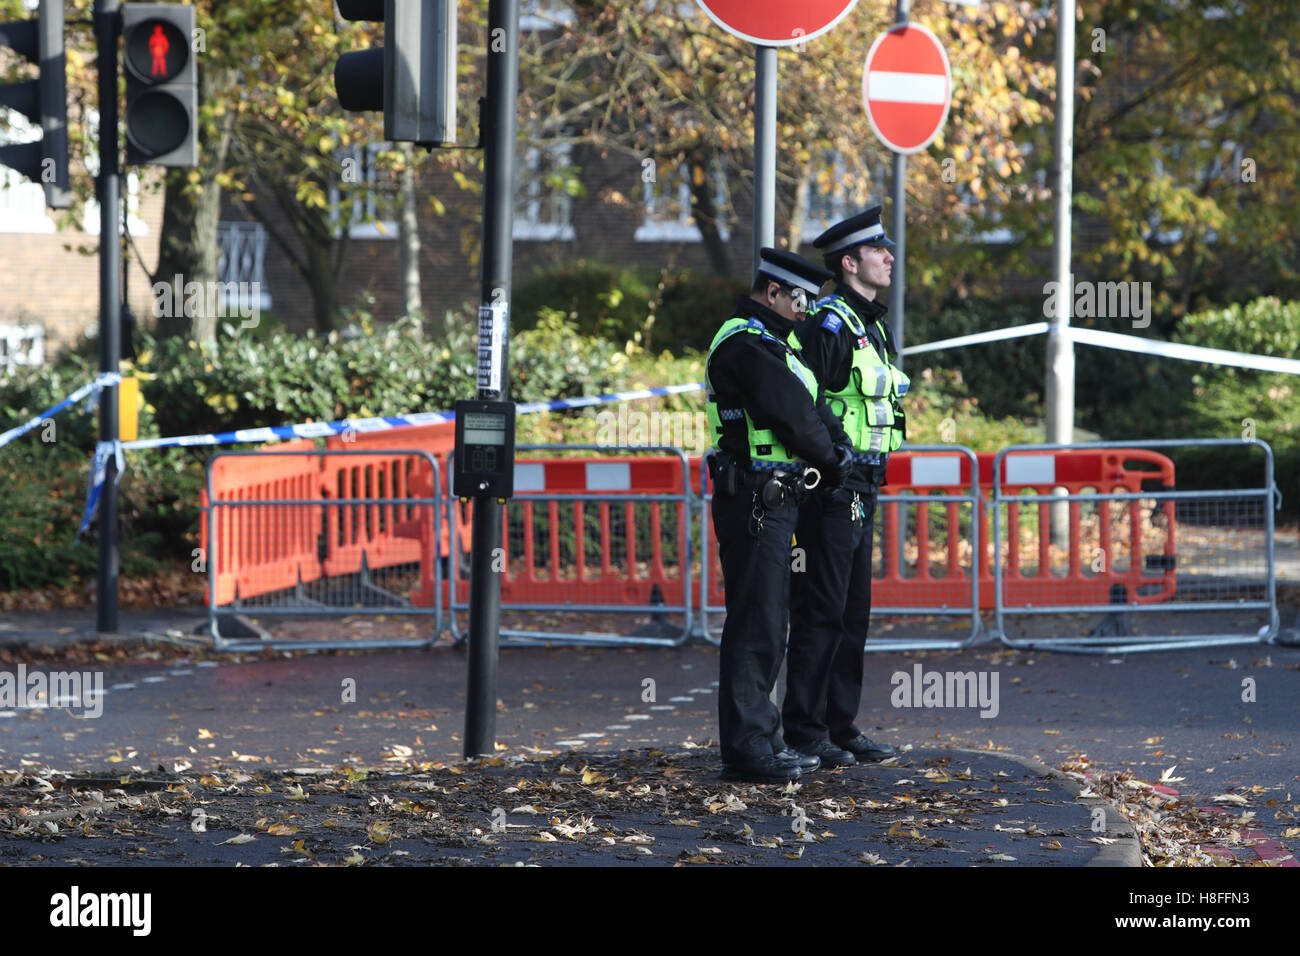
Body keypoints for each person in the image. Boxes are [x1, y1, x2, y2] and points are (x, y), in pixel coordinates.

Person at [707, 248, 854, 784]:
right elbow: (793, 415)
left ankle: (763, 738)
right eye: (800, 299)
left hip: (776, 499)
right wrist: (834, 458)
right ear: (772, 292)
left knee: (771, 620)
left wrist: (837, 451)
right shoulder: (744, 343)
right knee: (757, 621)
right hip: (754, 498)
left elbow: (814, 407)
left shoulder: (778, 345)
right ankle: (749, 750)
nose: (806, 311)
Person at [782, 206, 909, 768]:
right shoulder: (828, 324)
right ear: (851, 261)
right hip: (833, 489)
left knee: (853, 612)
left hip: (863, 484)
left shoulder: (870, 326)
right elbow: (803, 402)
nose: (890, 256)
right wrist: (833, 464)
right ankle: (805, 731)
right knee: (822, 609)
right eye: (879, 250)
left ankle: (840, 726)